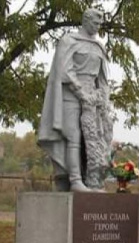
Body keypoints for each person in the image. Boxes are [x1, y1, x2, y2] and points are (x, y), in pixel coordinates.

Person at [38, 8, 113, 192]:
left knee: (93, 139)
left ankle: (92, 180)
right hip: (70, 94)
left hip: (92, 98)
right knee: (73, 137)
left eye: (99, 24)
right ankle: (75, 180)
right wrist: (81, 92)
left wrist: (102, 98)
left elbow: (102, 78)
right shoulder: (69, 40)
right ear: (85, 20)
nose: (97, 27)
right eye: (95, 23)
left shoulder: (99, 46)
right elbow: (64, 70)